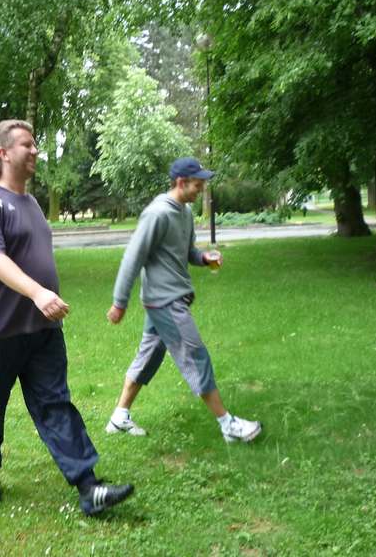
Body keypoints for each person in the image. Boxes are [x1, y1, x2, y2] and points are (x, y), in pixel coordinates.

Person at [0, 119, 134, 515]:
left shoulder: (32, 203)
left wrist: (44, 300)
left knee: (56, 404)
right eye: (27, 145)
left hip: (43, 328)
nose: (35, 151)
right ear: (4, 153)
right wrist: (38, 292)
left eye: (35, 144)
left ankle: (88, 488)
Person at [105, 157, 262, 444]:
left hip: (171, 298)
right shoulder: (157, 214)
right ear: (181, 182)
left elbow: (187, 252)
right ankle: (227, 424)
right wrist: (120, 302)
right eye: (197, 185)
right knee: (195, 355)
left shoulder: (185, 212)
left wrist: (204, 257)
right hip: (164, 301)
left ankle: (119, 417)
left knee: (148, 358)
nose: (201, 191)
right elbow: (132, 258)